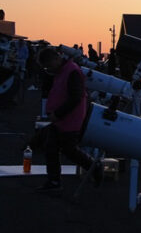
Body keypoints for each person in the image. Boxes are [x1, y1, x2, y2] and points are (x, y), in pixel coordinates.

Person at [36, 47, 99, 193]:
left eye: (49, 66)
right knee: (51, 147)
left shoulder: (71, 71)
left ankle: (94, 168)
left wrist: (58, 113)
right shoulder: (62, 70)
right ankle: (54, 181)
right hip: (61, 118)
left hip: (69, 118)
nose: (48, 69)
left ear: (56, 59)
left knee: (69, 150)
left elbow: (76, 97)